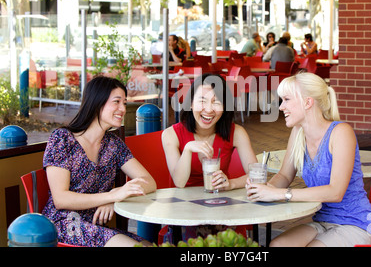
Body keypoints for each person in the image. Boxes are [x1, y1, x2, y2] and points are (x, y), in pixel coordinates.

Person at [246, 72, 371, 247]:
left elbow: (335, 192)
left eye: (286, 99)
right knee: (277, 245)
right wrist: (264, 190)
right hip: (323, 222)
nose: (281, 107)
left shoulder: (341, 133)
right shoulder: (298, 132)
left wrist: (280, 194)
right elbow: (285, 176)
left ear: (308, 102)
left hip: (356, 223)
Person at [42, 76, 156, 247]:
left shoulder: (114, 144)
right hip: (63, 225)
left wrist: (115, 198)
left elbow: (149, 182)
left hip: (94, 226)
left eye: (124, 103)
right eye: (116, 102)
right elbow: (61, 199)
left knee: (149, 245)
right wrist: (110, 196)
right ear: (97, 102)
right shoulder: (62, 139)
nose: (122, 109)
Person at [162, 73, 257, 190]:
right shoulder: (170, 135)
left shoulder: (237, 132)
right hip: (183, 203)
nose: (208, 109)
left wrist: (231, 184)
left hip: (221, 201)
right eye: (202, 101)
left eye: (216, 102)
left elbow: (256, 175)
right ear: (190, 104)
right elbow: (179, 182)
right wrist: (187, 150)